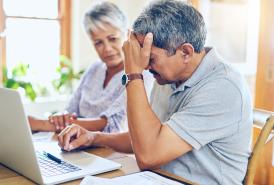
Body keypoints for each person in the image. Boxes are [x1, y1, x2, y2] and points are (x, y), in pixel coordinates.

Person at [57, 1, 253, 185]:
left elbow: (148, 156)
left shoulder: (223, 87)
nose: (144, 65)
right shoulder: (168, 75)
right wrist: (94, 137)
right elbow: (147, 137)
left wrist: (133, 74)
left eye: (150, 58)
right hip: (160, 178)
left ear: (185, 52)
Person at [29, 1, 129, 133]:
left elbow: (112, 124)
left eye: (112, 39)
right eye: (98, 42)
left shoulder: (137, 74)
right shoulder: (94, 69)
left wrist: (40, 124)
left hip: (110, 151)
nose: (107, 49)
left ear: (127, 34)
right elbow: (70, 110)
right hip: (76, 145)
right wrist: (61, 117)